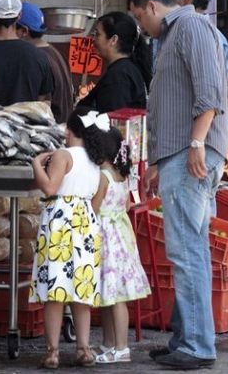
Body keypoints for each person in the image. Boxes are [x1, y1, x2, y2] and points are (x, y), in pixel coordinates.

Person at [128, 0, 228, 370]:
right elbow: (174, 102)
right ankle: (186, 339)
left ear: (152, 6)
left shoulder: (191, 27)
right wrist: (156, 161)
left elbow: (210, 94)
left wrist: (197, 145)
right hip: (179, 154)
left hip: (192, 154)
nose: (140, 26)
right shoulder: (171, 37)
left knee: (186, 251)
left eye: (139, 17)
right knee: (189, 250)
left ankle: (198, 346)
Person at [28, 106, 106, 369]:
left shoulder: (63, 155)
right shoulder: (96, 160)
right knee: (81, 291)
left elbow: (49, 187)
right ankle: (84, 349)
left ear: (67, 130)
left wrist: (36, 165)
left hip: (60, 223)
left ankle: (52, 352)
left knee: (56, 290)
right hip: (86, 223)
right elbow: (96, 203)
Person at [90, 127, 151, 364]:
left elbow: (94, 207)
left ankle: (121, 347)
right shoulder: (121, 176)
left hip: (105, 238)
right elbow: (126, 205)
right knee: (109, 294)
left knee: (114, 297)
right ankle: (108, 343)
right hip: (121, 238)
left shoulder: (103, 176)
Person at [77, 11, 152, 113]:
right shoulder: (126, 69)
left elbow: (113, 123)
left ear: (113, 40)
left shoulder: (119, 76)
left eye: (97, 34)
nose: (93, 39)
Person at [164, 0, 228, 73]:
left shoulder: (206, 36)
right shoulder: (177, 31)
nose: (167, 6)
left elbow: (209, 86)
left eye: (169, 0)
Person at [16, 2, 74, 123]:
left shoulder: (34, 59)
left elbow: (40, 105)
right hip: (63, 127)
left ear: (23, 31)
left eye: (11, 28)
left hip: (50, 132)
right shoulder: (56, 53)